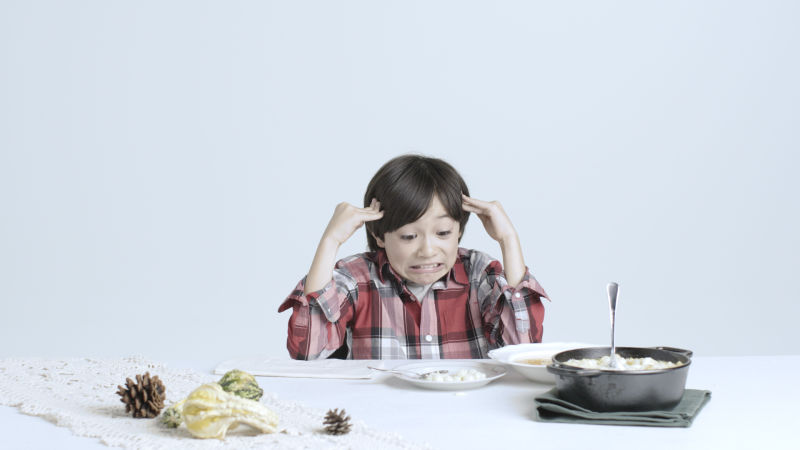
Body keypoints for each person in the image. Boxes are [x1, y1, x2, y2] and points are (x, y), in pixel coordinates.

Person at [278, 154, 549, 359]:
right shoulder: (357, 278)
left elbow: (522, 351)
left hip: (467, 417)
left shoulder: (479, 273)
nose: (428, 250)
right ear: (381, 236)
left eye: (443, 232)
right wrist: (330, 241)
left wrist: (509, 241)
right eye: (409, 236)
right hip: (380, 419)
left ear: (459, 231)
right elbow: (307, 352)